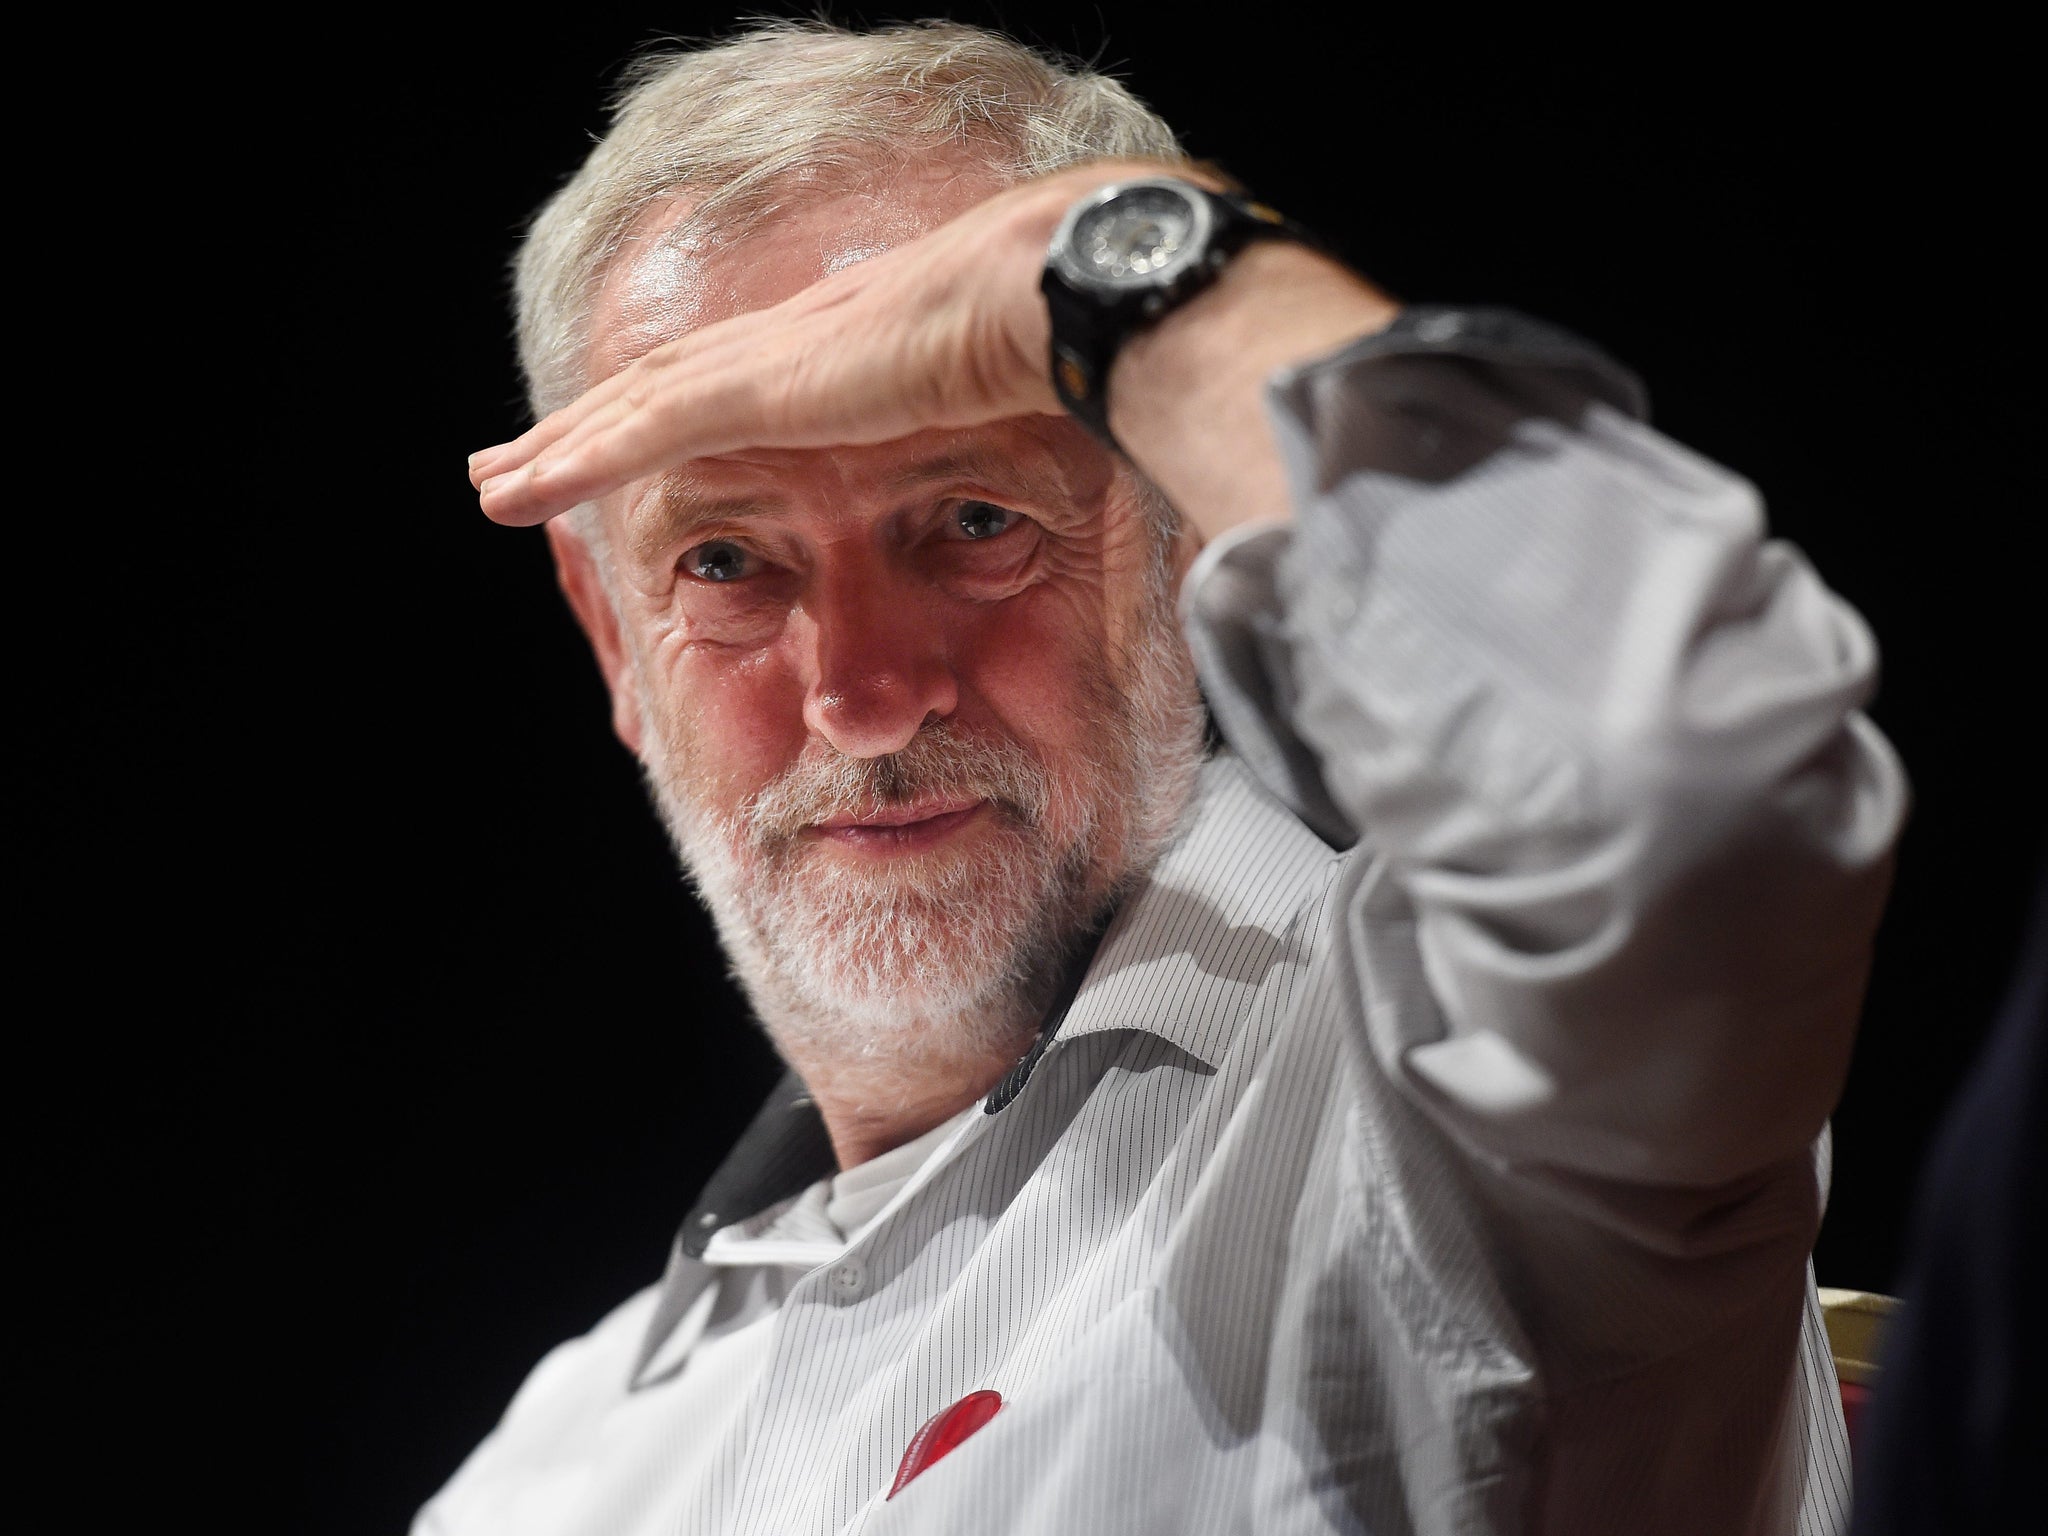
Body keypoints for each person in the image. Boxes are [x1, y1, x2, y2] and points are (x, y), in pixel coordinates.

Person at [425, 19, 1906, 1535]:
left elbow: (1689, 780)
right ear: (613, 633)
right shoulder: (549, 1473)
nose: (863, 698)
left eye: (978, 518)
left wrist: (1138, 289)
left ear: (1188, 535)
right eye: (725, 560)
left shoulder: (1450, 1122)